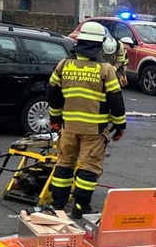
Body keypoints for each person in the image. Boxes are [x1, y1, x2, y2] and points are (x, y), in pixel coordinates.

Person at [46, 21, 127, 219]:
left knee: (64, 163)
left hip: (68, 127)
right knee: (89, 168)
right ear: (98, 45)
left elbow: (53, 94)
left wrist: (55, 119)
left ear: (79, 42)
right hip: (94, 129)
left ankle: (58, 205)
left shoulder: (63, 65)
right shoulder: (105, 70)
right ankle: (80, 207)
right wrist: (119, 126)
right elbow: (116, 101)